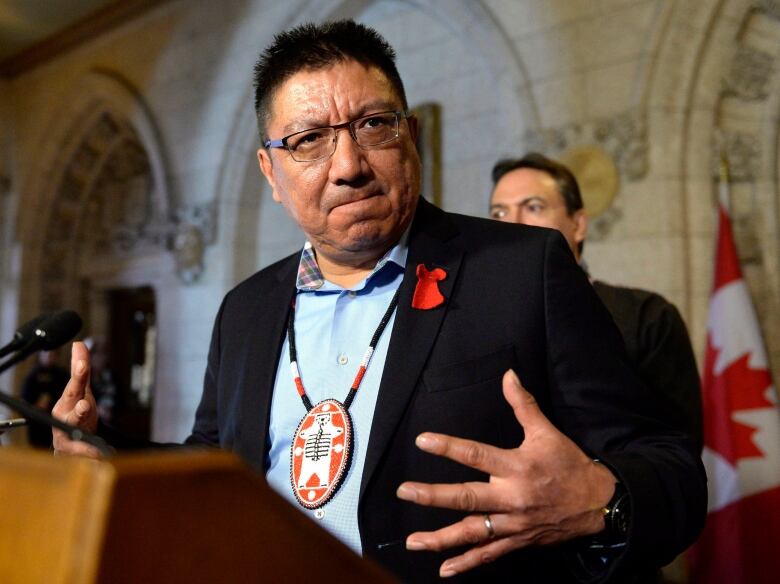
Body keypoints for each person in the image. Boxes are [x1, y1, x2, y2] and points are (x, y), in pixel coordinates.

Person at [52, 20, 705, 583]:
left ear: (409, 134)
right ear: (268, 173)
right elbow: (215, 466)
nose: (347, 166)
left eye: (372, 126)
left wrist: (602, 502)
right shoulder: (245, 311)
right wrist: (105, 450)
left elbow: (671, 471)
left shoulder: (521, 272)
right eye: (308, 140)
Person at [489, 153, 703, 451]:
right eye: (499, 213)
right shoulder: (479, 321)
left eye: (533, 207)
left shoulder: (647, 317)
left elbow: (677, 452)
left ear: (578, 225)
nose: (512, 224)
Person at [20, 350, 70, 448]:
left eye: (52, 354)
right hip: (36, 425)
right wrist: (35, 408)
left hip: (56, 423)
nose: (48, 357)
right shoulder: (32, 375)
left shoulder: (62, 375)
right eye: (45, 354)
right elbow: (24, 400)